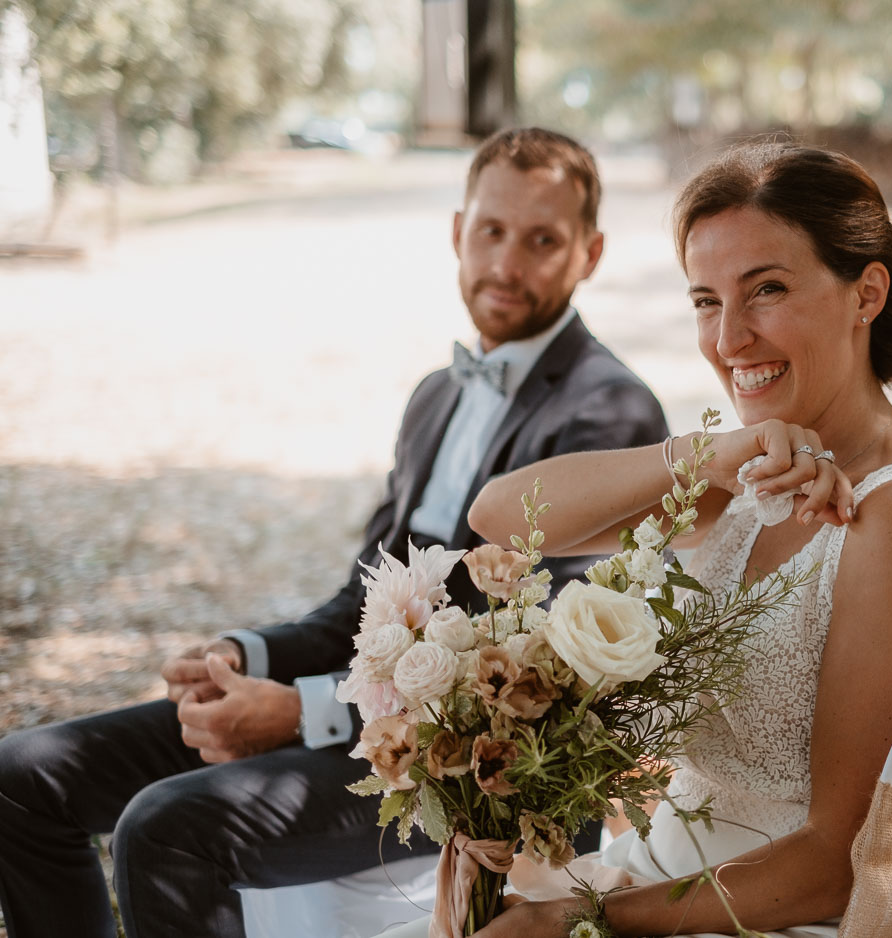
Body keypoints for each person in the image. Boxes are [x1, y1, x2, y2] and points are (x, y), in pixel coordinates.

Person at [0, 127, 669, 938]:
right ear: (458, 232)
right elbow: (365, 599)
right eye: (491, 232)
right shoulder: (434, 397)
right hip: (353, 716)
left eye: (542, 241)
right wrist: (249, 654)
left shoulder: (609, 410)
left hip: (477, 772)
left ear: (590, 253)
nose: (506, 264)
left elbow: (542, 683)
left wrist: (302, 712)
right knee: (24, 775)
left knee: (165, 829)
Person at [449, 141, 892, 937]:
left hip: (756, 915)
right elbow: (499, 515)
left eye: (767, 289)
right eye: (706, 300)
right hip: (659, 871)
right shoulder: (758, 472)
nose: (730, 338)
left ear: (866, 293)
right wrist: (704, 455)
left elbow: (839, 862)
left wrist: (581, 916)